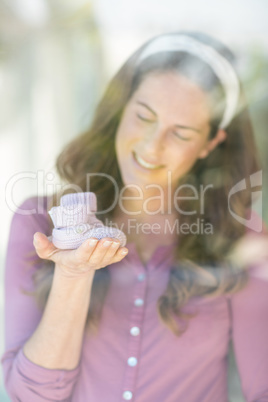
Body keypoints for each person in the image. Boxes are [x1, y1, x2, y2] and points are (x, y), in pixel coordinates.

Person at [1, 31, 268, 401]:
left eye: (181, 133)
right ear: (122, 108)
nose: (151, 145)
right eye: (144, 116)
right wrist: (73, 274)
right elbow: (30, 395)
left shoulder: (242, 242)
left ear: (210, 143)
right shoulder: (39, 220)